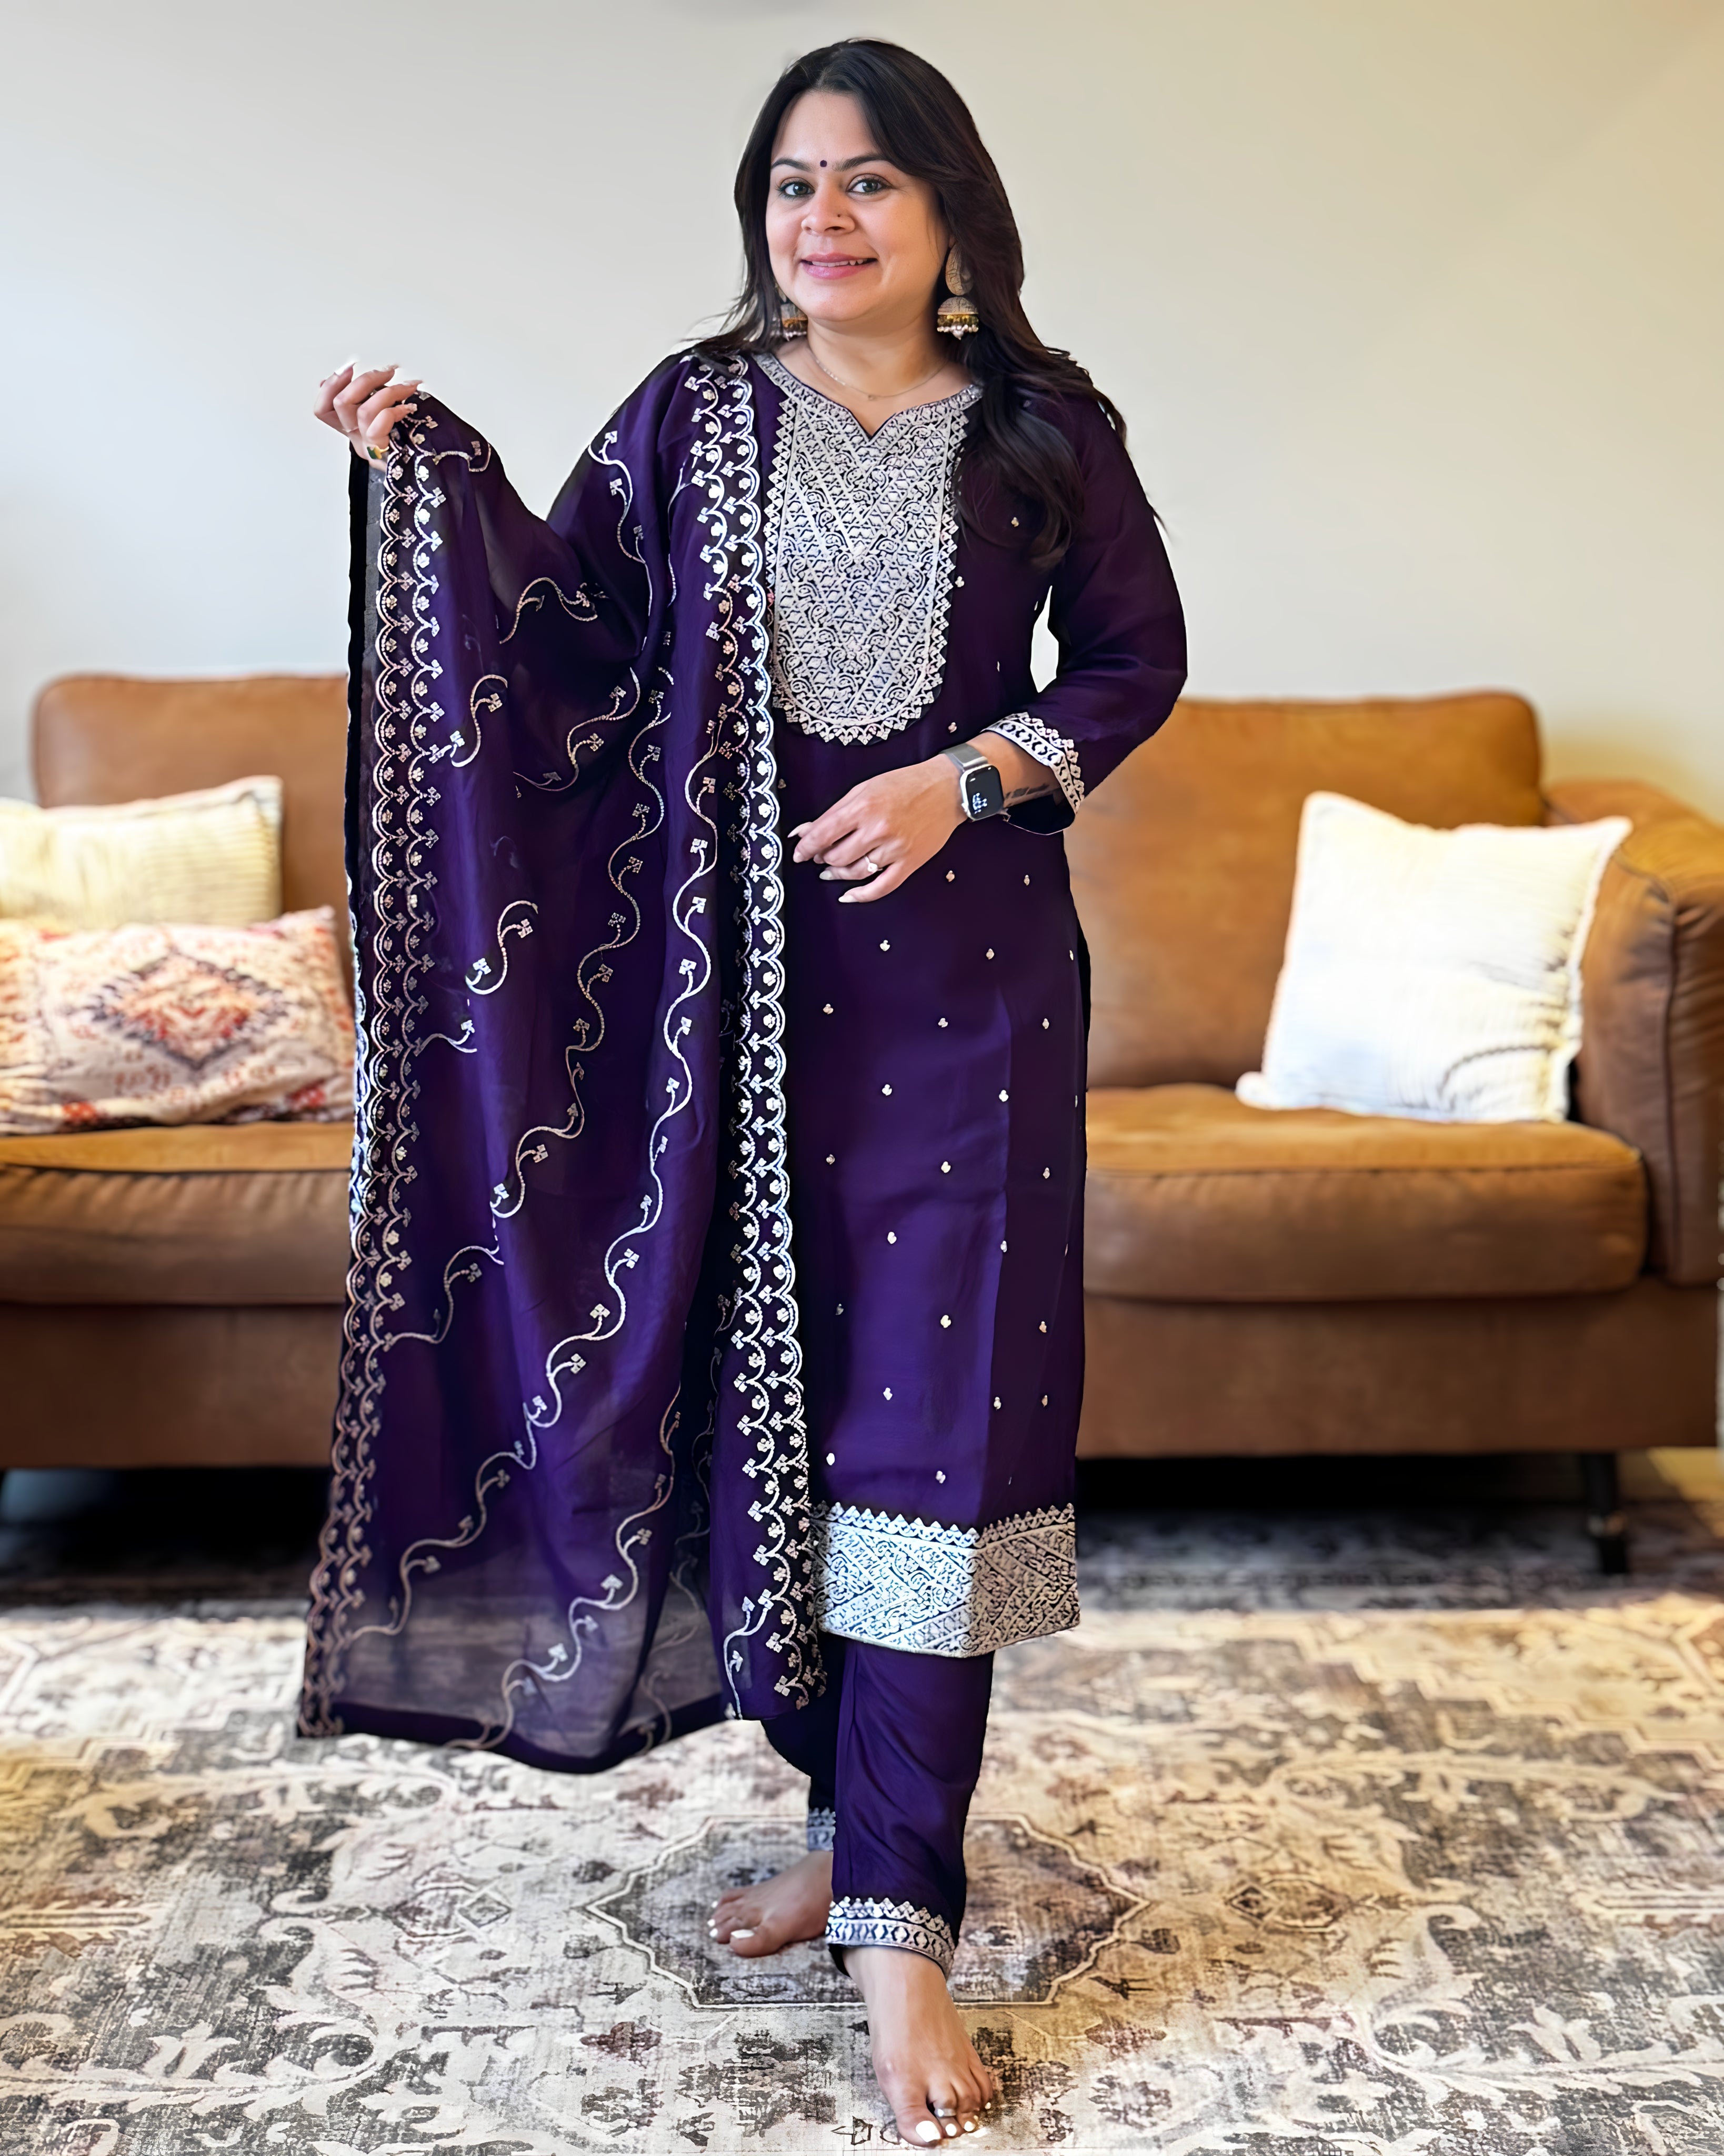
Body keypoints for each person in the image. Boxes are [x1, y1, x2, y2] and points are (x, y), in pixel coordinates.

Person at [303, 37, 1184, 2145]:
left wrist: (969, 778)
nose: (824, 220)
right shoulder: (690, 421)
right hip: (731, 1012)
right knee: (762, 1412)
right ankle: (843, 1824)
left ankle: (904, 1923)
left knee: (937, 1443)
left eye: (871, 183)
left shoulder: (1049, 435)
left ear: (953, 215)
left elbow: (1136, 661)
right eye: (792, 185)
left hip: (969, 998)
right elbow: (568, 642)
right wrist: (432, 472)